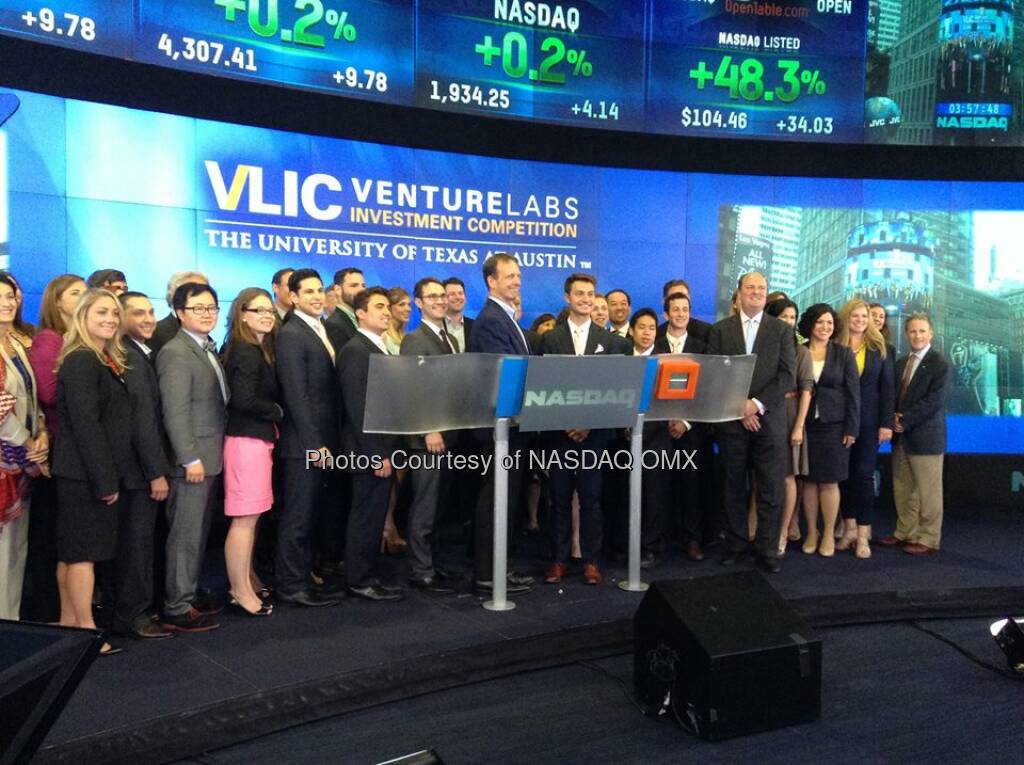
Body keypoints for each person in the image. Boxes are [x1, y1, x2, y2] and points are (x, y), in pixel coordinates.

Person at [52, 289, 130, 654]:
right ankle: (85, 630)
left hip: (78, 472)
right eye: (101, 312)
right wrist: (104, 479)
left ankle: (70, 625)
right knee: (82, 554)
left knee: (73, 552)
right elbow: (87, 425)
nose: (110, 319)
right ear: (83, 315)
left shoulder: (96, 357)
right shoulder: (83, 360)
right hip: (84, 474)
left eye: (115, 313)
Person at [707, 272, 795, 574]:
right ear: (740, 293)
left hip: (769, 422)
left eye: (762, 288)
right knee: (732, 486)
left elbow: (787, 375)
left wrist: (755, 405)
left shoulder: (782, 331)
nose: (756, 292)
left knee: (770, 487)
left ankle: (768, 549)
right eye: (751, 287)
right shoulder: (720, 331)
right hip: (731, 422)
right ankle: (735, 545)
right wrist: (739, 407)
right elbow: (715, 373)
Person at [540, 273, 621, 586]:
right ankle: (558, 560)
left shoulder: (612, 342)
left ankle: (590, 561)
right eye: (580, 294)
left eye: (590, 294)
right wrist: (568, 422)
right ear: (567, 298)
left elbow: (614, 390)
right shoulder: (550, 339)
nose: (586, 299)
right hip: (559, 435)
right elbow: (544, 388)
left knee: (591, 500)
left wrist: (587, 422)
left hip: (594, 435)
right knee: (558, 499)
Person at [157, 282, 228, 631]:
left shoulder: (204, 347)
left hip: (210, 455)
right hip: (192, 462)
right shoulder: (175, 352)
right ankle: (176, 606)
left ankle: (189, 594)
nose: (207, 314)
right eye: (198, 308)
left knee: (197, 534)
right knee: (184, 536)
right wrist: (188, 458)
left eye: (212, 307)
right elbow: (175, 412)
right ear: (179, 313)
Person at [274, 269, 342, 607]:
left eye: (320, 290)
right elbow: (296, 396)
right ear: (293, 296)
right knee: (297, 518)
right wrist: (315, 445)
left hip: (322, 441)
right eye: (309, 291)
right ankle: (291, 586)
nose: (317, 296)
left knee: (311, 516)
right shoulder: (290, 334)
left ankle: (302, 579)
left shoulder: (319, 328)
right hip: (304, 444)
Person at [468, 253, 534, 595]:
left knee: (505, 500)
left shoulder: (507, 318)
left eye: (518, 275)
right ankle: (487, 574)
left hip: (513, 427)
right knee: (495, 499)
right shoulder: (493, 319)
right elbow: (504, 375)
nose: (517, 281)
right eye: (509, 276)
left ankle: (498, 569)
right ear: (492, 281)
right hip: (499, 429)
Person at [22, 273, 85, 622]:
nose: (82, 297)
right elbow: (48, 394)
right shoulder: (49, 340)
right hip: (58, 449)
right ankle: (53, 615)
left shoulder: (77, 339)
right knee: (53, 538)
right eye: (75, 293)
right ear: (56, 301)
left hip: (69, 446)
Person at [114, 292, 174, 639]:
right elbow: (143, 422)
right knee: (136, 548)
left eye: (151, 312)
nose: (148, 318)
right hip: (139, 473)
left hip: (139, 470)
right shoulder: (131, 358)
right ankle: (134, 616)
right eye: (138, 313)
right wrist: (156, 472)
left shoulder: (140, 353)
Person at [339, 287, 403, 601]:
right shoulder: (356, 349)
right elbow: (357, 405)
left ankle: (367, 573)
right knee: (365, 515)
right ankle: (359, 579)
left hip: (382, 448)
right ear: (360, 313)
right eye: (378, 306)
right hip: (367, 451)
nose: (386, 311)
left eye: (387, 306)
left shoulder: (379, 347)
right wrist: (376, 455)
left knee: (374, 513)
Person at [223, 288, 282, 616]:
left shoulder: (256, 349)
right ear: (242, 314)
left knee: (251, 518)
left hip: (254, 441)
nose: (266, 315)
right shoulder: (246, 351)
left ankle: (247, 580)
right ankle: (240, 590)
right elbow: (243, 400)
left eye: (269, 310)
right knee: (244, 520)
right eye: (258, 310)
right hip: (246, 441)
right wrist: (278, 411)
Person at [397, 277, 458, 593]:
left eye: (442, 295)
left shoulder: (447, 338)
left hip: (447, 436)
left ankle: (432, 563)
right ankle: (419, 570)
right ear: (418, 302)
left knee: (438, 506)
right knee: (423, 505)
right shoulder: (415, 340)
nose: (439, 300)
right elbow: (412, 390)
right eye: (431, 296)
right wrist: (428, 428)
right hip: (428, 439)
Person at [881, 314, 952, 556]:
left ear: (930, 333)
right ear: (906, 334)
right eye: (912, 331)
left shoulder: (939, 364)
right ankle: (905, 532)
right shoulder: (901, 363)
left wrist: (905, 421)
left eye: (922, 331)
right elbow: (891, 395)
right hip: (901, 438)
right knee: (903, 489)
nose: (917, 336)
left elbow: (934, 401)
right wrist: (891, 418)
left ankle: (929, 538)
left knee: (928, 493)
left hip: (925, 437)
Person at [0, 273, 46, 620]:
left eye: (11, 296)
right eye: (0, 297)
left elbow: (32, 398)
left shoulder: (16, 343)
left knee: (17, 551)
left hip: (24, 465)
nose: (7, 303)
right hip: (6, 462)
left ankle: (11, 625)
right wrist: (26, 442)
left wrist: (42, 434)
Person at [797, 303, 860, 557]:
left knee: (830, 482)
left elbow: (854, 394)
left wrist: (852, 428)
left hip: (835, 427)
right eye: (820, 322)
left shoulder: (843, 354)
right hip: (805, 426)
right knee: (809, 481)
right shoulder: (798, 352)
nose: (825, 327)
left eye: (830, 323)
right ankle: (811, 531)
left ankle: (828, 534)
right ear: (811, 325)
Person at [651, 291, 708, 562]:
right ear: (666, 314)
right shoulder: (655, 344)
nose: (681, 314)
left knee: (691, 487)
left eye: (685, 309)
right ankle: (657, 541)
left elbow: (706, 389)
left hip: (690, 429)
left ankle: (692, 540)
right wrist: (665, 421)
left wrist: (684, 422)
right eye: (676, 309)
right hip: (658, 430)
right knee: (658, 487)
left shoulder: (701, 346)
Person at [836, 299, 895, 559]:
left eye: (864, 316)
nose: (860, 320)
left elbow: (887, 388)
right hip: (839, 422)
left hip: (871, 423)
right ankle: (848, 528)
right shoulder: (836, 346)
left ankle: (863, 534)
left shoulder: (878, 347)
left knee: (863, 475)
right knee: (843, 476)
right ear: (846, 318)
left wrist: (886, 423)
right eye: (855, 316)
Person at [764, 298, 812, 556]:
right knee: (764, 475)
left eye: (792, 317)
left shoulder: (801, 351)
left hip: (791, 416)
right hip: (764, 413)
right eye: (783, 316)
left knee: (787, 476)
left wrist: (798, 427)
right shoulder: (763, 344)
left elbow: (806, 391)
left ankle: (783, 532)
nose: (789, 322)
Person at [150, 271, 208, 357]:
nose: (204, 296)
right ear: (174, 295)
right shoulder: (156, 334)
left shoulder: (206, 336)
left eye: (206, 291)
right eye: (196, 291)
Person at [656, 279, 711, 344]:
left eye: (684, 296)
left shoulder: (707, 332)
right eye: (675, 297)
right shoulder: (656, 335)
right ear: (664, 301)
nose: (680, 299)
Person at [324, 267, 364, 352]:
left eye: (363, 285)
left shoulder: (362, 321)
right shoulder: (333, 325)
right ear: (338, 290)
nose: (361, 290)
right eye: (354, 285)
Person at [443, 277, 473, 353]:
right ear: (444, 298)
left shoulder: (475, 326)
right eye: (452, 294)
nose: (457, 297)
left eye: (460, 293)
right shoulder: (437, 326)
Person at [384, 287, 411, 356]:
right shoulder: (384, 337)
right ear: (389, 308)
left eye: (409, 305)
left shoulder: (405, 337)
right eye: (402, 305)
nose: (408, 309)